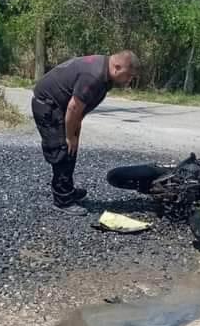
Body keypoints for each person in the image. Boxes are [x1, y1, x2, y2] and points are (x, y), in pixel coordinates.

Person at [31, 51, 140, 215]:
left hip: (62, 107)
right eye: (128, 75)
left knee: (71, 148)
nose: (129, 80)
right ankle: (62, 200)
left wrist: (75, 133)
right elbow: (73, 107)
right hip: (48, 104)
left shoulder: (104, 74)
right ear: (117, 67)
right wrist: (69, 136)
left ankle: (67, 190)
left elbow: (79, 110)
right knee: (61, 149)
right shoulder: (94, 76)